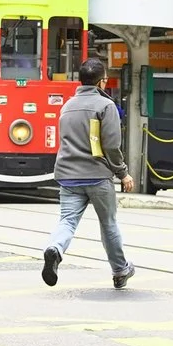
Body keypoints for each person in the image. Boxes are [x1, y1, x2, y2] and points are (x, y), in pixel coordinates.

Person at [41, 55, 137, 290]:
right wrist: (123, 173)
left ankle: (55, 248)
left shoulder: (67, 106)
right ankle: (120, 270)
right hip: (97, 175)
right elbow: (112, 145)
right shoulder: (105, 106)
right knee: (109, 224)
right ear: (101, 81)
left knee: (67, 221)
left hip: (68, 175)